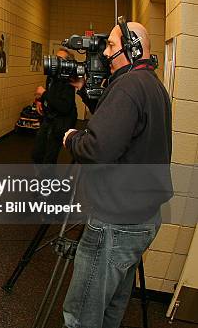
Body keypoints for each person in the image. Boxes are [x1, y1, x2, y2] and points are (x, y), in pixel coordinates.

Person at [62, 21, 172, 328]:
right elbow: (120, 124)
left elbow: (97, 149)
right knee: (111, 306)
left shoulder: (127, 86)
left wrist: (72, 138)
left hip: (115, 223)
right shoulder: (151, 85)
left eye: (111, 46)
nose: (105, 53)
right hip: (143, 219)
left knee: (82, 314)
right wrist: (86, 92)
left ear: (132, 49)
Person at [32, 48, 77, 164]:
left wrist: (44, 94)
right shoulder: (51, 76)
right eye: (55, 58)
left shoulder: (68, 81)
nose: (56, 61)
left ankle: (48, 181)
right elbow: (51, 95)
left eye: (59, 59)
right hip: (48, 119)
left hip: (60, 123)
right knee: (37, 154)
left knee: (49, 158)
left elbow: (64, 107)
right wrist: (40, 100)